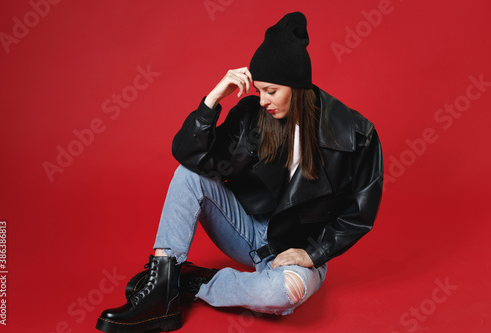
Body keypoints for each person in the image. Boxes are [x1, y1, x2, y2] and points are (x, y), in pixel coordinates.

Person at [96, 12, 383, 333]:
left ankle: (190, 282)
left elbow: (359, 213)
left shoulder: (356, 133)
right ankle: (162, 286)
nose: (262, 101)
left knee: (283, 294)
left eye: (271, 91)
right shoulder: (252, 116)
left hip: (298, 248)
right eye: (259, 90)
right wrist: (212, 101)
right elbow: (196, 161)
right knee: (188, 176)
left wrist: (312, 253)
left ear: (297, 86)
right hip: (247, 232)